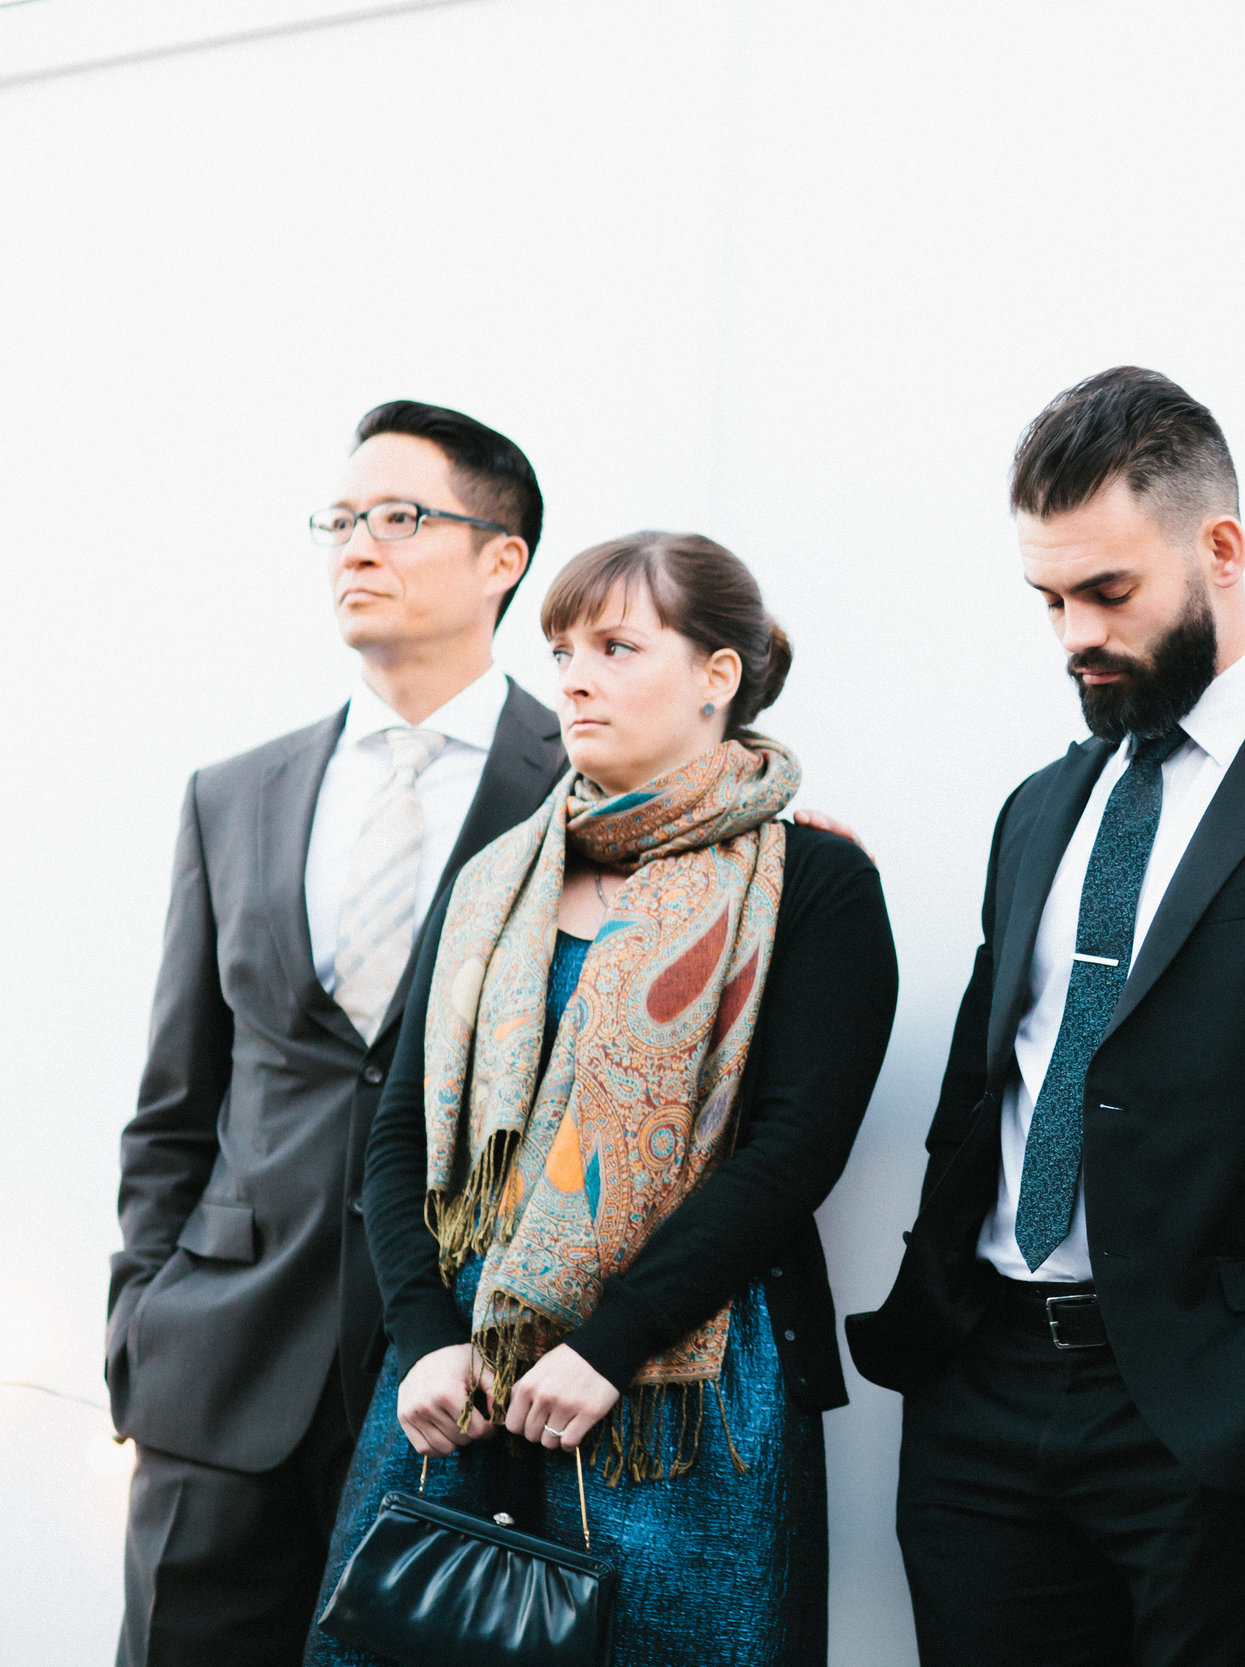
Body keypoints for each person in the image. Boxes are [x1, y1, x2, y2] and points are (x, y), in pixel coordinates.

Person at [844, 366, 1245, 1665]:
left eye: (1108, 591)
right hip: (985, 1392)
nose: (1074, 632)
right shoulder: (1041, 802)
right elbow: (999, 1074)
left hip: (1223, 1407)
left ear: (1221, 548)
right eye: (1050, 599)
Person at [307, 532, 896, 1666]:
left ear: (717, 675)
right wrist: (426, 1337)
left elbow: (791, 1156)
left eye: (617, 646)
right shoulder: (492, 880)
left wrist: (610, 1343)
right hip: (457, 1390)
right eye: (564, 646)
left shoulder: (813, 881)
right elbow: (395, 1139)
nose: (572, 674)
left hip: (684, 1393)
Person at [108, 401, 568, 1666]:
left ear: (501, 559)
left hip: (457, 1379)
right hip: (220, 1367)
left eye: (401, 517)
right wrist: (141, 1324)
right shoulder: (233, 793)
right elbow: (174, 1098)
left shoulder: (579, 782)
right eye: (342, 519)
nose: (357, 545)